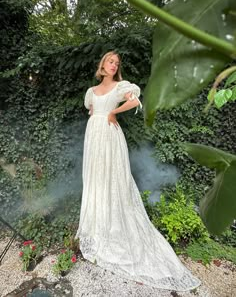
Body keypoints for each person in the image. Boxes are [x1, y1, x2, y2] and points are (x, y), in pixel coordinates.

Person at [75, 51, 201, 291]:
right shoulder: (91, 92)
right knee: (96, 178)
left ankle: (115, 229)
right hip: (93, 138)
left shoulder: (122, 86)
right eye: (110, 62)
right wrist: (101, 116)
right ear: (102, 64)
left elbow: (134, 101)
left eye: (117, 63)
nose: (114, 65)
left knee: (113, 180)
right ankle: (97, 224)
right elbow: (92, 112)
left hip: (111, 137)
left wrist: (113, 112)